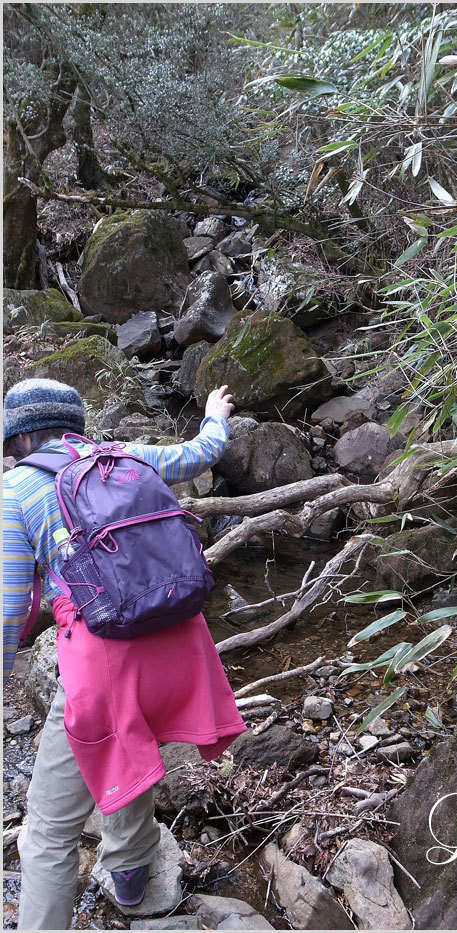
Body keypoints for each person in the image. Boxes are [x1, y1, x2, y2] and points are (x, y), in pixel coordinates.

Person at [3, 378, 247, 930]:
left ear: (17, 438)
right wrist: (213, 414)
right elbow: (200, 453)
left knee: (47, 828)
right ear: (76, 426)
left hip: (107, 660)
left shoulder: (16, 490)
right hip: (182, 642)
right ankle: (132, 875)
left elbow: (11, 609)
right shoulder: (124, 455)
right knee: (132, 746)